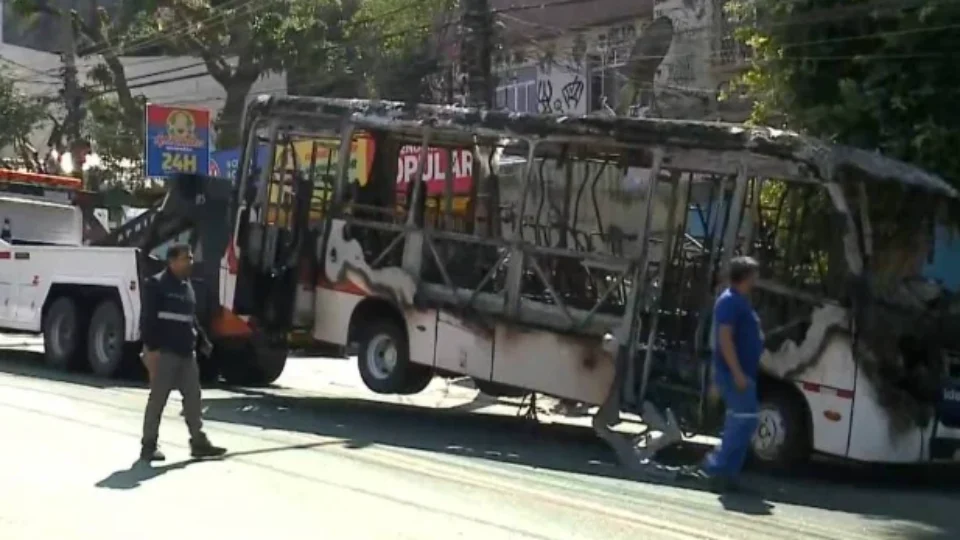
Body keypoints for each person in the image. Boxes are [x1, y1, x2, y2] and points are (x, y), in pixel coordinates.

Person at [140, 243, 226, 462]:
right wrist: (151, 350)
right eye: (186, 258)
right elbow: (148, 319)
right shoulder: (156, 284)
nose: (190, 262)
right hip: (164, 353)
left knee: (193, 399)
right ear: (172, 261)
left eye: (190, 258)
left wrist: (203, 340)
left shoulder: (187, 286)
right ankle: (149, 445)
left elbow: (191, 318)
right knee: (158, 399)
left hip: (186, 353)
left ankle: (198, 441)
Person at [700, 256, 764, 492]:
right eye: (754, 274)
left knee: (743, 421)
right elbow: (725, 339)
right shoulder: (729, 301)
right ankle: (716, 469)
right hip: (734, 373)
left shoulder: (739, 301)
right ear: (744, 276)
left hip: (744, 373)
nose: (756, 279)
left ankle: (729, 474)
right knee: (743, 420)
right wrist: (736, 372)